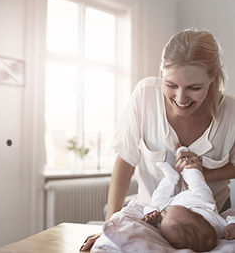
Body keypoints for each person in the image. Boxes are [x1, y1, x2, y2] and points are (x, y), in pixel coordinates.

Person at [80, 29, 235, 251]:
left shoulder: (231, 113)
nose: (180, 99)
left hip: (208, 223)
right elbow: (125, 160)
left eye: (194, 88)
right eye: (171, 85)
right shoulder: (145, 95)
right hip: (151, 216)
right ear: (162, 72)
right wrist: (110, 227)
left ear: (212, 77)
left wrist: (205, 173)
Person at [141, 146, 235, 252]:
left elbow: (149, 210)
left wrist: (150, 214)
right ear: (197, 217)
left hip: (169, 204)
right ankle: (187, 162)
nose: (165, 215)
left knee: (156, 201)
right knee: (196, 181)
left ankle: (170, 178)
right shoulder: (217, 226)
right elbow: (230, 219)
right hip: (200, 201)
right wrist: (232, 225)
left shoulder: (167, 224)